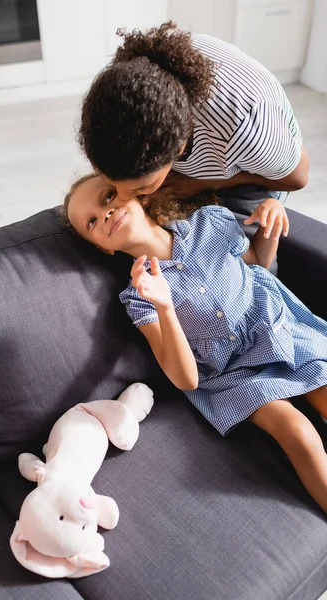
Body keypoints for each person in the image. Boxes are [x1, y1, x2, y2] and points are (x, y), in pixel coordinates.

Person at [62, 173, 327, 513]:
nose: (107, 214)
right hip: (234, 376)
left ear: (138, 194)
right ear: (103, 247)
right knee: (298, 432)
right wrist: (164, 305)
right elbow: (185, 378)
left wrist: (271, 218)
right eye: (92, 222)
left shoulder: (210, 222)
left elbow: (257, 262)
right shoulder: (138, 299)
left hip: (279, 330)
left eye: (109, 197)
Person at [78, 22, 309, 228]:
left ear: (179, 149)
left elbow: (297, 178)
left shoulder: (246, 128)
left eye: (140, 187)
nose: (124, 196)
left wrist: (207, 182)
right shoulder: (118, 88)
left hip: (259, 171)